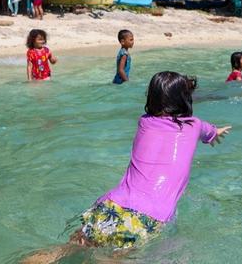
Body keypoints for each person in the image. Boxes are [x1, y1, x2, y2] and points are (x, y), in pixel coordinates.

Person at [67, 72, 231, 249]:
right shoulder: (195, 125)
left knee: (69, 248)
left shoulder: (144, 121)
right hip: (148, 215)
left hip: (111, 202)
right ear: (185, 99)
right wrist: (216, 132)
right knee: (113, 258)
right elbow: (209, 131)